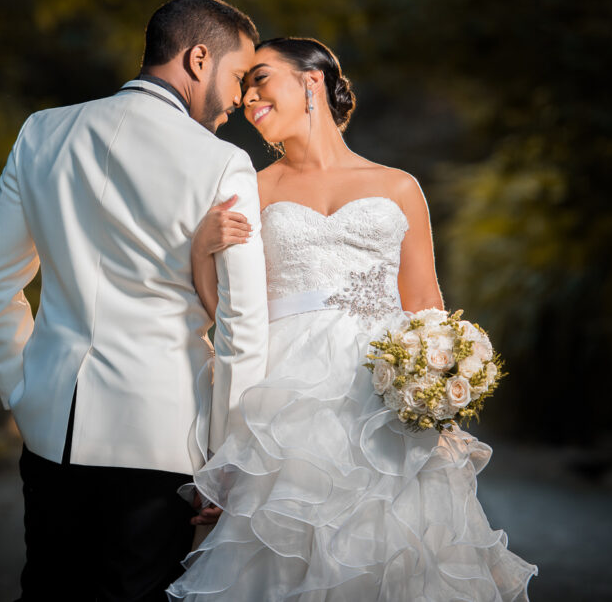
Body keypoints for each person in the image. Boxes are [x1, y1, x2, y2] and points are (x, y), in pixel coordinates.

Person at [167, 38, 539, 600]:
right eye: (243, 89)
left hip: (383, 400)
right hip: (284, 403)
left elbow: (426, 305)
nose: (248, 98)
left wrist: (441, 377)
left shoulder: (398, 186)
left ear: (311, 81)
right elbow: (232, 318)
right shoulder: (251, 188)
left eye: (261, 79)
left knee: (394, 554)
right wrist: (200, 253)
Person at [0, 0, 270, 601]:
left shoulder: (42, 132)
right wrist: (228, 459)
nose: (239, 102)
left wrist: (23, 391)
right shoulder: (222, 164)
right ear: (198, 59)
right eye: (237, 78)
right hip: (160, 437)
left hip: (51, 427)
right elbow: (242, 324)